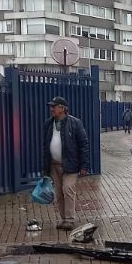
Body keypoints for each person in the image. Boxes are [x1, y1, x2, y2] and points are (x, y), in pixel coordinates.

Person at [44, 96, 90, 230]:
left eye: (54, 106)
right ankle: (63, 219)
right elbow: (45, 146)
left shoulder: (75, 123)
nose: (51, 109)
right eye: (51, 106)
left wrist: (84, 165)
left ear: (62, 108)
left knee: (68, 189)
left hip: (70, 164)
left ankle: (70, 220)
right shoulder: (48, 124)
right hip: (54, 164)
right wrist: (45, 168)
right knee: (59, 193)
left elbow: (83, 145)